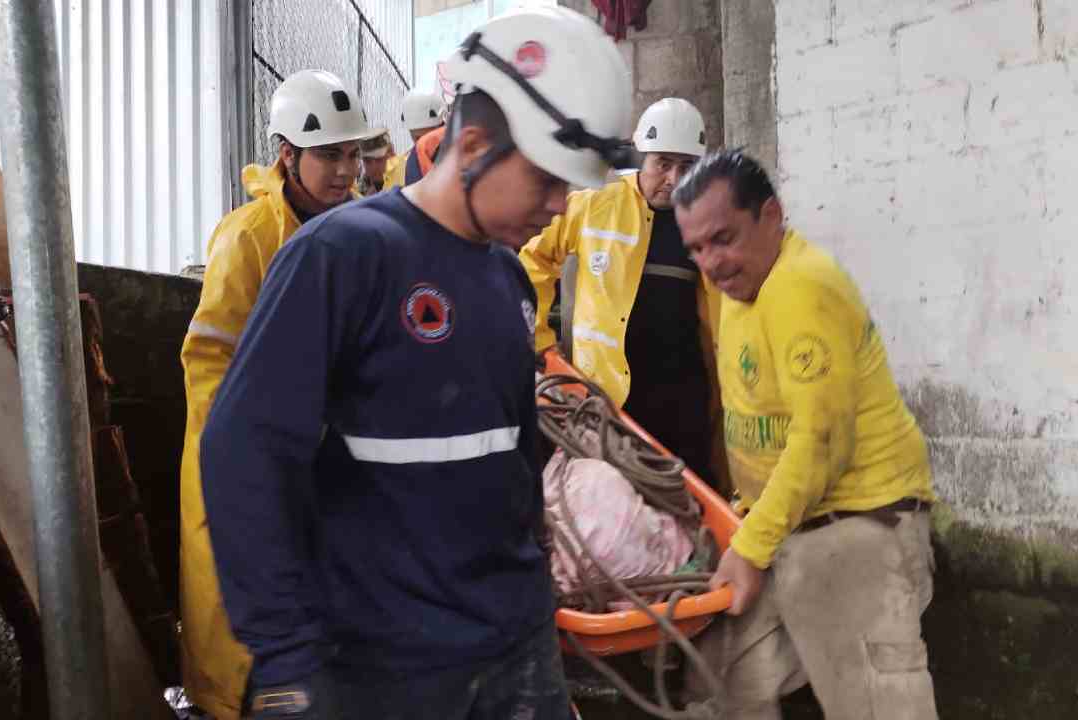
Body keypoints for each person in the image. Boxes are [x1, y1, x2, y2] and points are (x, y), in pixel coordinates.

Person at [199, 7, 633, 719]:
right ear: (479, 142)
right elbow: (244, 453)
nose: (559, 208)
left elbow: (516, 453)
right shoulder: (342, 258)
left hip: (513, 648)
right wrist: (286, 658)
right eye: (549, 180)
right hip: (380, 666)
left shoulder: (509, 281)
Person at [672, 149, 940, 719]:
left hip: (860, 523)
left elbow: (821, 442)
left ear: (772, 215)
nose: (711, 262)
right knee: (719, 686)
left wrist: (749, 545)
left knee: (875, 707)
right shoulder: (738, 291)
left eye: (723, 238)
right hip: (791, 526)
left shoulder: (800, 285)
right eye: (695, 248)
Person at [177, 68, 378, 720]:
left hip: (321, 455)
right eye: (329, 155)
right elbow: (209, 361)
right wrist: (248, 460)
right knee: (239, 615)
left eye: (352, 154)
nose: (345, 170)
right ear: (287, 154)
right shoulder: (248, 240)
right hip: (250, 457)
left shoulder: (355, 233)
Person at [519, 97, 726, 490]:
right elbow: (533, 260)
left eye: (686, 167)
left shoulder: (704, 220)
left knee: (689, 499)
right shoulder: (595, 203)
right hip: (611, 400)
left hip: (684, 400)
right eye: (663, 163)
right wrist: (541, 346)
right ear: (641, 157)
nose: (673, 178)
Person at [384, 89, 446, 188]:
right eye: (417, 138)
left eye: (428, 137)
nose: (422, 144)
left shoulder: (458, 156)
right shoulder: (408, 166)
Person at [356, 131, 393, 196]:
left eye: (379, 159)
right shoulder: (358, 192)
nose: (374, 167)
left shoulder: (406, 181)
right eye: (367, 161)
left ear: (391, 154)